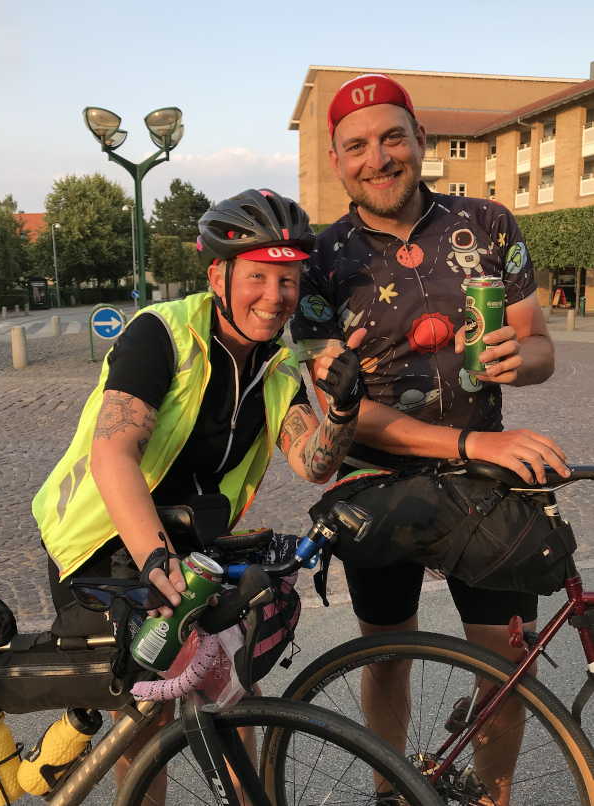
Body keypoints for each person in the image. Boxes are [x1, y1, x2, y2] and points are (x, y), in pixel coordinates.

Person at [32, 188, 365, 806]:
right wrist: (157, 560)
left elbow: (312, 462)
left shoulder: (278, 363)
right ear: (218, 276)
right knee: (149, 712)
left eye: (288, 280)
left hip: (189, 541)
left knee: (233, 691)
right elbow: (113, 453)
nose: (275, 296)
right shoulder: (161, 334)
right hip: (104, 539)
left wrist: (344, 409)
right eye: (258, 276)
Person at [290, 74, 570, 805]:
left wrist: (520, 359)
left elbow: (540, 347)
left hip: (487, 481)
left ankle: (490, 797)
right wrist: (472, 445)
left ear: (419, 140)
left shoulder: (490, 222)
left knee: (507, 667)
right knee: (387, 657)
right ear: (336, 160)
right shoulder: (320, 261)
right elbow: (339, 408)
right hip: (379, 484)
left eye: (392, 138)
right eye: (356, 146)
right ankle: (391, 794)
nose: (377, 158)